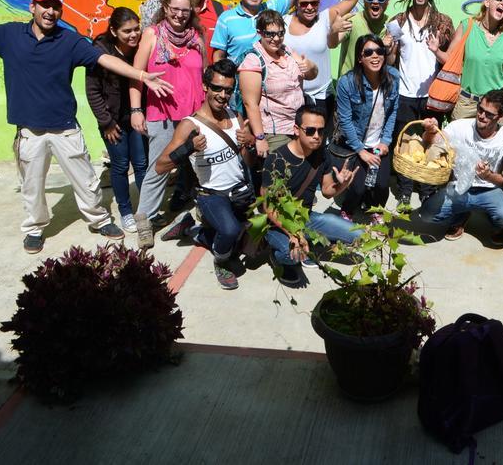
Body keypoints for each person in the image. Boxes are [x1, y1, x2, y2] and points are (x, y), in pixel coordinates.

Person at [0, 0, 172, 253]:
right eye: (44, 5)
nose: (50, 11)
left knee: (87, 181)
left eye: (55, 6)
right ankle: (35, 228)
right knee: (32, 184)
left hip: (65, 128)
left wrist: (140, 76)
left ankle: (99, 219)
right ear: (32, 7)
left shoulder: (69, 41)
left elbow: (104, 58)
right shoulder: (9, 34)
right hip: (29, 130)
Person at [156, 60, 255, 290]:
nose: (222, 95)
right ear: (205, 87)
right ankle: (220, 263)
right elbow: (160, 167)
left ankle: (193, 229)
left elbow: (248, 162)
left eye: (228, 90)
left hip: (238, 192)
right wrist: (187, 148)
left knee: (248, 244)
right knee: (229, 233)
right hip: (211, 195)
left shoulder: (235, 116)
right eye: (217, 88)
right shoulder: (190, 125)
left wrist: (249, 144)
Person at [130, 0, 206, 247]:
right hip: (160, 114)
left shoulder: (196, 37)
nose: (180, 15)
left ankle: (207, 213)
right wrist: (136, 109)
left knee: (202, 165)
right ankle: (145, 220)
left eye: (185, 11)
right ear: (165, 8)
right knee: (159, 167)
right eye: (175, 9)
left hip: (194, 115)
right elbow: (136, 76)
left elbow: (202, 76)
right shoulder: (151, 34)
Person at [262, 105, 362, 286]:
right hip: (277, 223)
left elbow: (326, 191)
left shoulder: (321, 154)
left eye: (321, 131)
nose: (316, 136)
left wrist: (342, 184)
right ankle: (275, 255)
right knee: (291, 255)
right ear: (296, 130)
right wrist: (294, 232)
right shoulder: (277, 159)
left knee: (358, 235)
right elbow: (268, 207)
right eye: (310, 130)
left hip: (306, 217)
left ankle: (307, 240)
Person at [388, 0, 455, 203]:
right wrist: (389, 49)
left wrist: (437, 50)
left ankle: (426, 190)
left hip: (433, 94)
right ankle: (405, 191)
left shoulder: (444, 22)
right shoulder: (397, 22)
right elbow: (391, 61)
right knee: (406, 140)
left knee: (430, 140)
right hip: (404, 92)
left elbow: (452, 61)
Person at [417, 90, 503, 242]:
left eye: (489, 114)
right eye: (480, 109)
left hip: (490, 190)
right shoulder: (459, 126)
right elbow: (432, 141)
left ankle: (497, 226)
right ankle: (459, 218)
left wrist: (488, 175)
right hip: (459, 187)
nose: (481, 116)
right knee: (427, 215)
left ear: (500, 117)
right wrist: (430, 131)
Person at [85, 7, 148, 232]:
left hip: (135, 117)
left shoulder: (139, 49)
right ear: (113, 31)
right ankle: (126, 211)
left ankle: (147, 208)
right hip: (113, 122)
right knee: (120, 165)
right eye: (126, 31)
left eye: (136, 29)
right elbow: (93, 92)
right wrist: (106, 123)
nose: (133, 35)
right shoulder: (100, 52)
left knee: (141, 164)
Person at [332, 35, 400, 221]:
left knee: (381, 184)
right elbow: (345, 120)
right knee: (357, 186)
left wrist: (385, 142)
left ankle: (375, 209)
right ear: (360, 58)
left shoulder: (393, 77)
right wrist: (361, 151)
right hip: (357, 142)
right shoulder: (347, 83)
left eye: (379, 51)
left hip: (378, 142)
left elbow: (393, 111)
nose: (375, 56)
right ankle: (348, 210)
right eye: (368, 52)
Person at [284, 0, 359, 120]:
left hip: (322, 98)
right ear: (296, 4)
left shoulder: (325, 18)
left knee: (321, 143)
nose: (309, 7)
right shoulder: (284, 22)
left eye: (314, 3)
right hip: (291, 97)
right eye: (304, 4)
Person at [239, 10, 317, 158]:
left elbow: (311, 75)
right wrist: (260, 138)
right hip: (275, 133)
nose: (276, 38)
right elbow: (250, 104)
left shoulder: (287, 51)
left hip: (298, 127)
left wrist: (311, 66)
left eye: (281, 33)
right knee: (280, 177)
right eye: (270, 34)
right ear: (260, 33)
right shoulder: (253, 60)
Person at [337, 0, 392, 75]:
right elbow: (332, 43)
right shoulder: (352, 20)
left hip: (376, 88)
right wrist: (333, 29)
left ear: (387, 1)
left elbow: (391, 63)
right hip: (350, 87)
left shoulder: (391, 24)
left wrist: (386, 49)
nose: (375, 2)